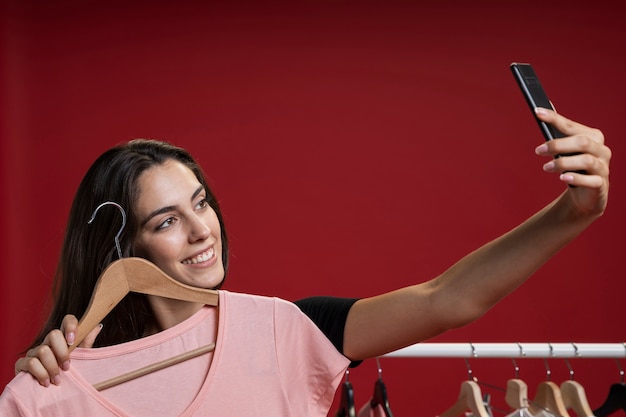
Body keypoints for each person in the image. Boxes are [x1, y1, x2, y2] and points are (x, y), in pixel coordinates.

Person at [1, 108, 611, 416]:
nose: (200, 230)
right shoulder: (47, 394)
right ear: (123, 250)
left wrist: (573, 212)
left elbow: (445, 300)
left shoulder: (283, 333)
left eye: (201, 203)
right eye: (166, 222)